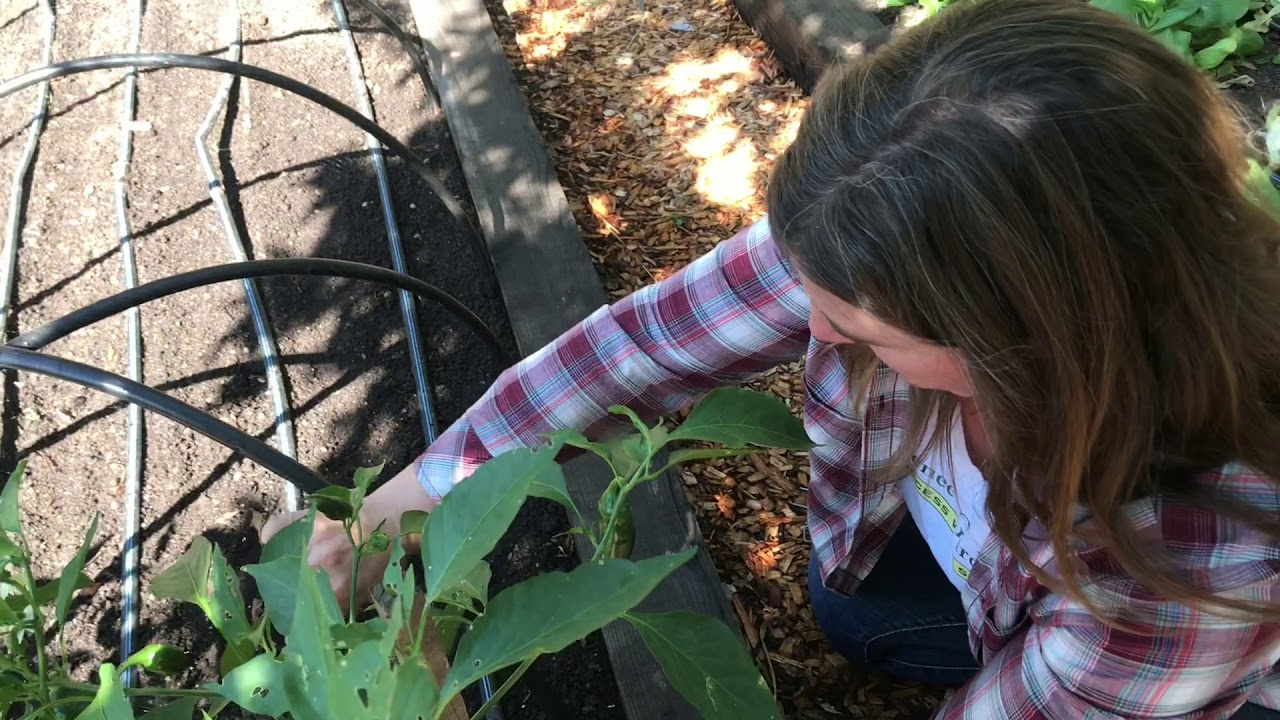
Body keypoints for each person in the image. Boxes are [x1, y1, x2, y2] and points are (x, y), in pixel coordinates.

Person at [262, 0, 1280, 716]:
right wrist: (408, 503)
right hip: (966, 566)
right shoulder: (876, 228)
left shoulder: (1195, 558)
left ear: (1025, 346)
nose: (815, 334)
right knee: (850, 613)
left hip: (1153, 658)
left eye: (863, 334)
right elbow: (637, 348)